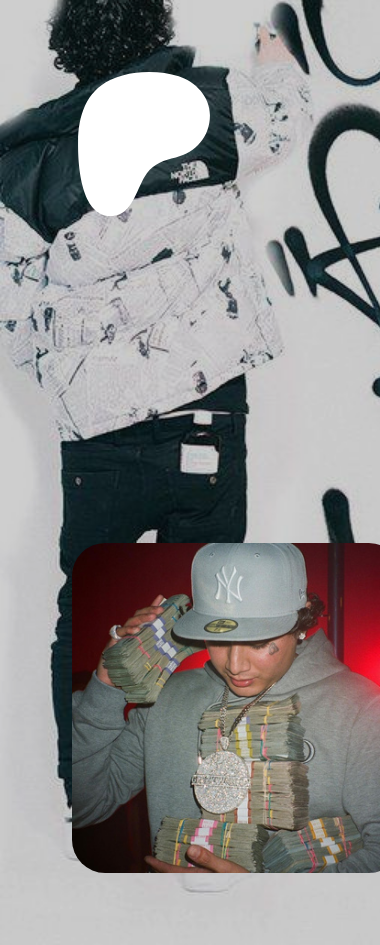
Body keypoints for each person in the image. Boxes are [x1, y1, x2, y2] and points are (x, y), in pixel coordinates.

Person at [0, 0, 311, 807]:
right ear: (153, 32)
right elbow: (286, 119)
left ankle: (86, 789)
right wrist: (272, 51)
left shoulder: (23, 159)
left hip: (98, 435)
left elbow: (13, 312)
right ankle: (202, 792)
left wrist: (78, 362)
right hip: (206, 417)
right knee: (218, 612)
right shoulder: (210, 107)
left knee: (88, 603)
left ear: (70, 50)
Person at [71, 543, 380, 873]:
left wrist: (265, 895)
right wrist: (107, 687)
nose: (235, 664)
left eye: (257, 642)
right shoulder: (165, 698)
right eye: (218, 640)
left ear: (301, 622)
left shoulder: (360, 707)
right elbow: (85, 807)